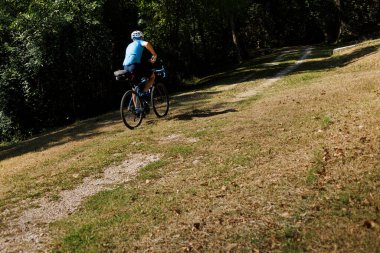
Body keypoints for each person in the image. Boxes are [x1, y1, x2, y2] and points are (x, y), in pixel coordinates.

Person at [123, 30, 158, 96]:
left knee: (134, 88)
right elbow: (147, 44)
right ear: (140, 37)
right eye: (142, 37)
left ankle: (137, 106)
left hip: (125, 67)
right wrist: (154, 54)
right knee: (152, 76)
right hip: (134, 66)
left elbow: (133, 58)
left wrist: (147, 61)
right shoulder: (139, 42)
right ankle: (143, 93)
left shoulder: (129, 45)